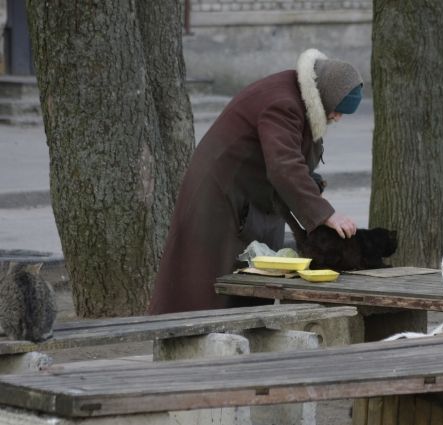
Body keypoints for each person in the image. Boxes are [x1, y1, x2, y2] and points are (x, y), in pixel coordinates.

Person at [148, 48, 364, 314]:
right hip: (219, 195)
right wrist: (325, 214)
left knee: (257, 278)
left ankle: (243, 340)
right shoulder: (283, 102)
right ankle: (193, 342)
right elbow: (284, 165)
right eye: (337, 111)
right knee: (206, 282)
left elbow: (290, 159)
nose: (337, 118)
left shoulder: (303, 98)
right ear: (324, 99)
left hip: (255, 197)